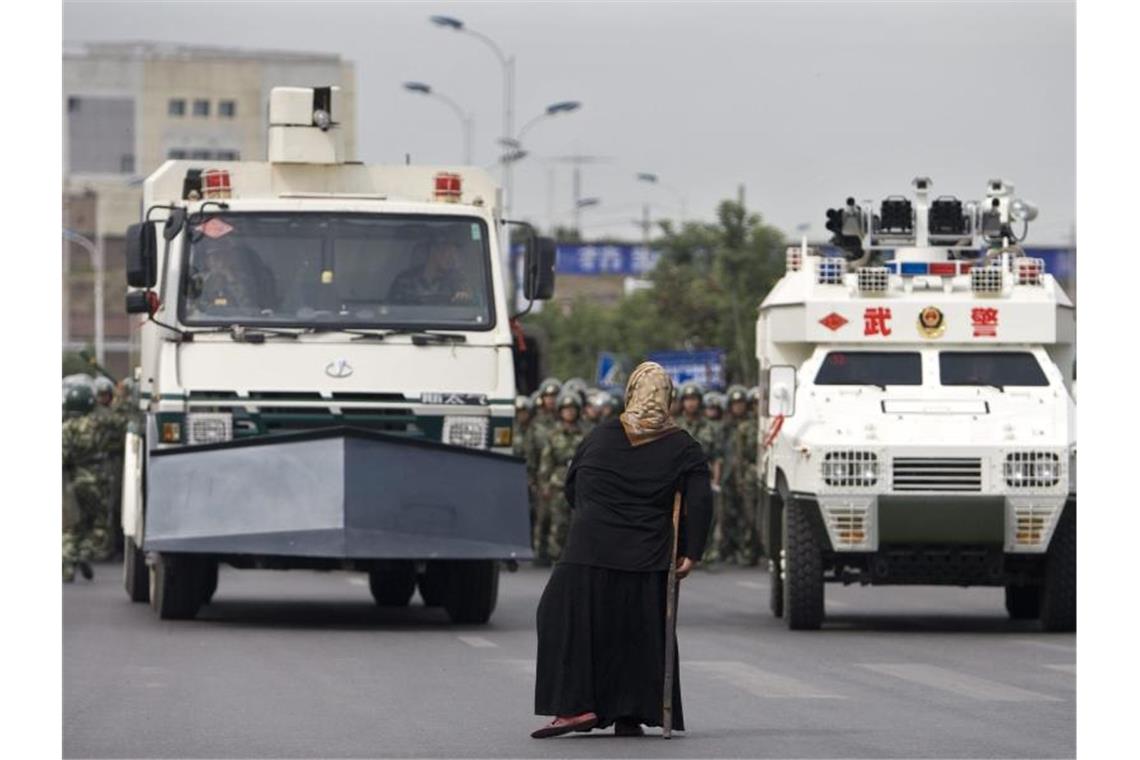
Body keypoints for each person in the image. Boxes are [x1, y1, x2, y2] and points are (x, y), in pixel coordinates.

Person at [532, 362, 713, 738]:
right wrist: (691, 552)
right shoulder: (683, 446)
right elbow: (699, 502)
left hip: (589, 549)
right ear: (669, 399)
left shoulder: (601, 435)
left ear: (631, 393)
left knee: (563, 617)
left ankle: (577, 705)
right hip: (647, 554)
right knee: (636, 629)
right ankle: (630, 711)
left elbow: (571, 487)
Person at [62, 384, 108, 582]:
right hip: (97, 480)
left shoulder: (64, 428)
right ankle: (84, 553)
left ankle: (67, 564)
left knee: (72, 526)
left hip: (73, 482)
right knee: (98, 524)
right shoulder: (98, 424)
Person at [537, 393, 587, 562]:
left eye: (572, 409)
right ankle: (555, 557)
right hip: (558, 483)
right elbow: (546, 462)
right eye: (566, 409)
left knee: (578, 523)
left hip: (579, 481)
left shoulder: (585, 433)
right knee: (558, 523)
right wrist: (544, 485)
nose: (569, 413)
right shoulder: (553, 434)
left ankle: (574, 557)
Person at [387, 241, 474, 305]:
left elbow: (469, 301)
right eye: (448, 252)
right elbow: (391, 310)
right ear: (434, 251)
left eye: (455, 253)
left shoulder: (456, 280)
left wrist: (464, 298)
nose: (452, 258)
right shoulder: (404, 280)